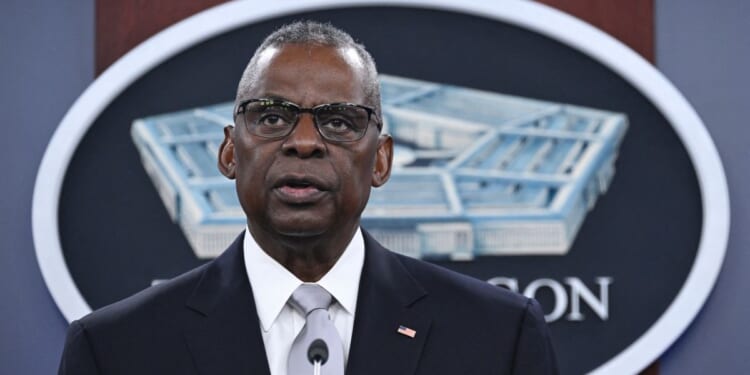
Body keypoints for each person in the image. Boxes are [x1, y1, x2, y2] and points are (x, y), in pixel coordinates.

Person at [58, 21, 559, 375]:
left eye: (339, 121)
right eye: (272, 117)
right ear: (230, 152)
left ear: (380, 161)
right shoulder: (115, 350)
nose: (304, 141)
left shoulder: (498, 336)